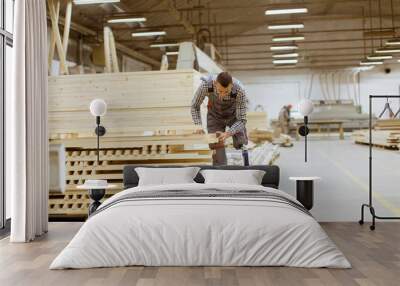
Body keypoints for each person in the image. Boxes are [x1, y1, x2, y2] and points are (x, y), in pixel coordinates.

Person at [191, 72, 248, 165]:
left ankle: (244, 166)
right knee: (216, 146)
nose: (223, 95)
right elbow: (194, 106)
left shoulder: (239, 90)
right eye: (220, 91)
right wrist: (198, 125)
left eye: (227, 92)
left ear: (232, 85)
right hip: (215, 116)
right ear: (215, 83)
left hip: (233, 116)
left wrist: (228, 133)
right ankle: (220, 170)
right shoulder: (206, 85)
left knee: (240, 142)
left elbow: (242, 120)